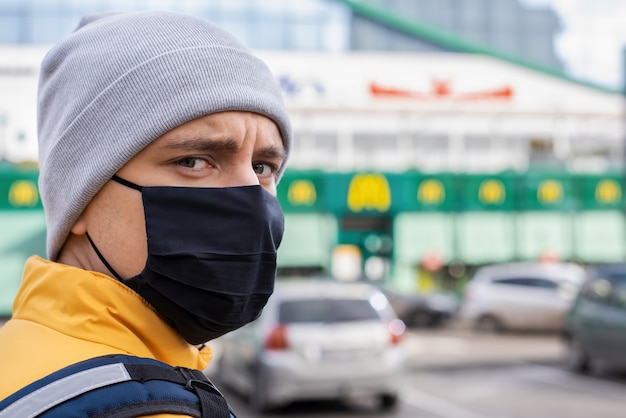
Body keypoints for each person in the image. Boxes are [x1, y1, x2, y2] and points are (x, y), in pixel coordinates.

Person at [0, 9, 292, 416]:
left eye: (262, 167)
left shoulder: (17, 355)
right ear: (81, 194)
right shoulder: (149, 406)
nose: (247, 196)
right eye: (193, 161)